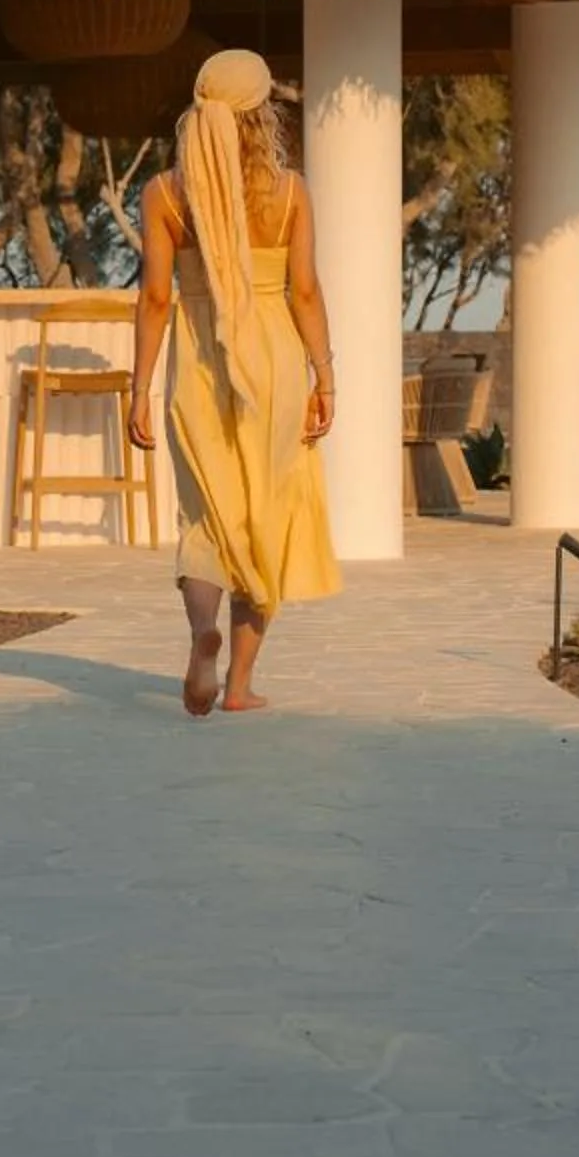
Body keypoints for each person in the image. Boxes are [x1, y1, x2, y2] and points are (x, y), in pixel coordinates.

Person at [128, 47, 341, 715]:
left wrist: (138, 389)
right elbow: (303, 290)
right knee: (265, 516)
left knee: (205, 518)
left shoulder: (164, 195)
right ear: (261, 116)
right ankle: (240, 686)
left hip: (195, 360)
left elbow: (157, 298)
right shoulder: (289, 193)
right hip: (274, 361)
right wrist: (325, 373)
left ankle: (201, 635)